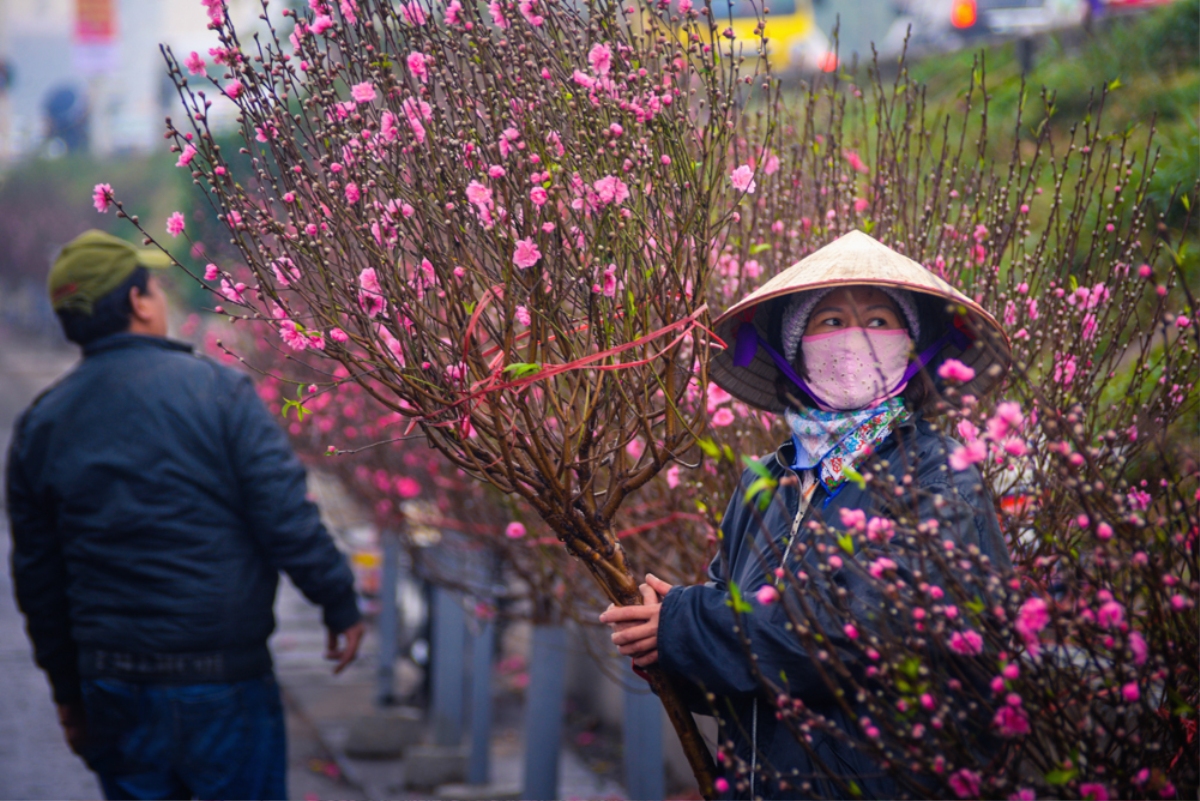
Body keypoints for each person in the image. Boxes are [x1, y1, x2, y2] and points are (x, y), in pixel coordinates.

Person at [601, 230, 1014, 799]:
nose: (853, 337)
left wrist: (691, 621)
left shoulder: (937, 477)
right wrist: (669, 647)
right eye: (828, 321)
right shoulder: (764, 484)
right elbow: (746, 669)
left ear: (910, 346)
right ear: (794, 350)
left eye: (876, 320)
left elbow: (868, 637)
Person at [6, 230, 365, 800]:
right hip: (224, 678)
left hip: (112, 683)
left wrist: (68, 694)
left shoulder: (42, 425)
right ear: (137, 302)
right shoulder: (220, 394)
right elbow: (283, 515)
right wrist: (338, 600)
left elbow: (39, 577)